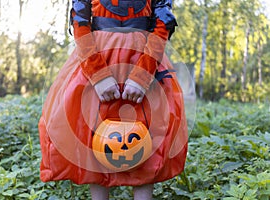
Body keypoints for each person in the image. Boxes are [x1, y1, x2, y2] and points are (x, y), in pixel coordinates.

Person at [38, 0, 188, 199]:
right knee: (93, 131)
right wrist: (98, 75)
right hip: (97, 58)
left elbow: (163, 21)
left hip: (144, 58)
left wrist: (142, 75)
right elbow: (80, 21)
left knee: (149, 132)